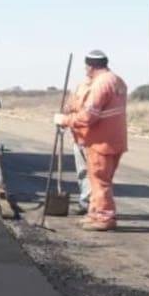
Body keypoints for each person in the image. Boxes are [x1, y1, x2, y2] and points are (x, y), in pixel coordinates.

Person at [54, 50, 127, 231]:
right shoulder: (117, 81)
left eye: (87, 66)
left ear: (91, 66)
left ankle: (104, 218)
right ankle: (94, 213)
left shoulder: (100, 85)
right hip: (114, 139)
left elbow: (89, 116)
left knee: (99, 180)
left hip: (100, 140)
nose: (86, 70)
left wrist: (64, 120)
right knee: (98, 180)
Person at [63, 74, 92, 213]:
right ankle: (85, 203)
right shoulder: (79, 88)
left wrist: (67, 120)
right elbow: (69, 107)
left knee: (95, 174)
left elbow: (88, 115)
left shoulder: (97, 91)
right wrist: (65, 116)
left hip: (92, 138)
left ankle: (95, 207)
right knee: (82, 172)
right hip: (78, 136)